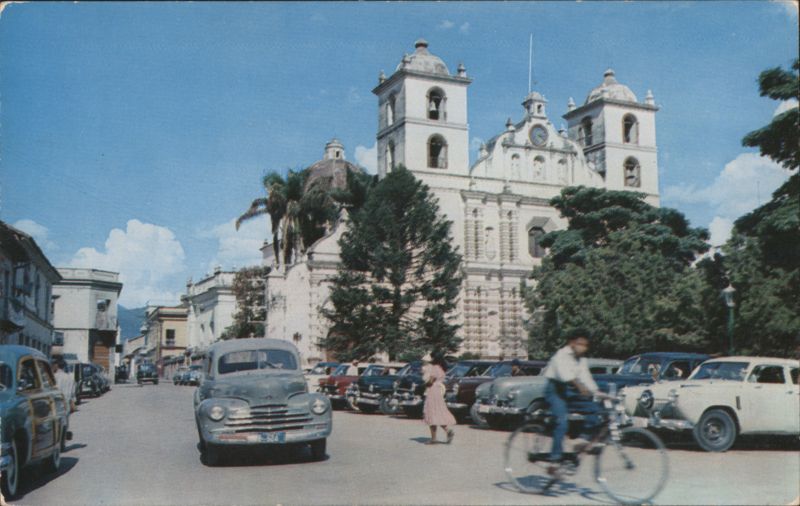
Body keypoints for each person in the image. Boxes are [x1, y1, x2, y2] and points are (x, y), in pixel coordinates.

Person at [544, 328, 604, 466]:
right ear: (572, 343)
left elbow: (586, 377)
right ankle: (555, 457)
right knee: (562, 422)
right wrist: (580, 387)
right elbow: (566, 375)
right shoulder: (561, 355)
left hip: (570, 391)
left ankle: (583, 439)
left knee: (594, 408)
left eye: (585, 345)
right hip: (555, 390)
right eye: (580, 344)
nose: (583, 348)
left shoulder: (581, 359)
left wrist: (597, 392)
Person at [422, 352, 456, 445]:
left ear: (434, 359)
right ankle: (448, 430)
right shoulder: (441, 369)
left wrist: (424, 384)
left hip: (432, 390)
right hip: (438, 391)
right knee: (437, 412)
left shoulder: (434, 368)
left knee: (431, 412)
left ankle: (433, 439)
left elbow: (430, 381)